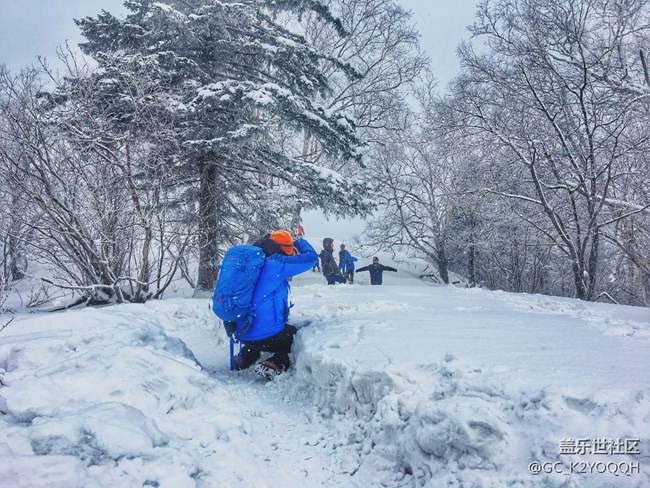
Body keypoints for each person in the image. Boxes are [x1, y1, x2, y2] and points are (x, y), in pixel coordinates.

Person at [233, 230, 317, 375]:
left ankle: (245, 357)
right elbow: (311, 258)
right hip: (266, 336)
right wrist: (299, 241)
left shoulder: (251, 263)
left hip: (241, 331)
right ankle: (276, 362)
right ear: (286, 249)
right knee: (293, 336)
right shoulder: (276, 263)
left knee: (260, 326)